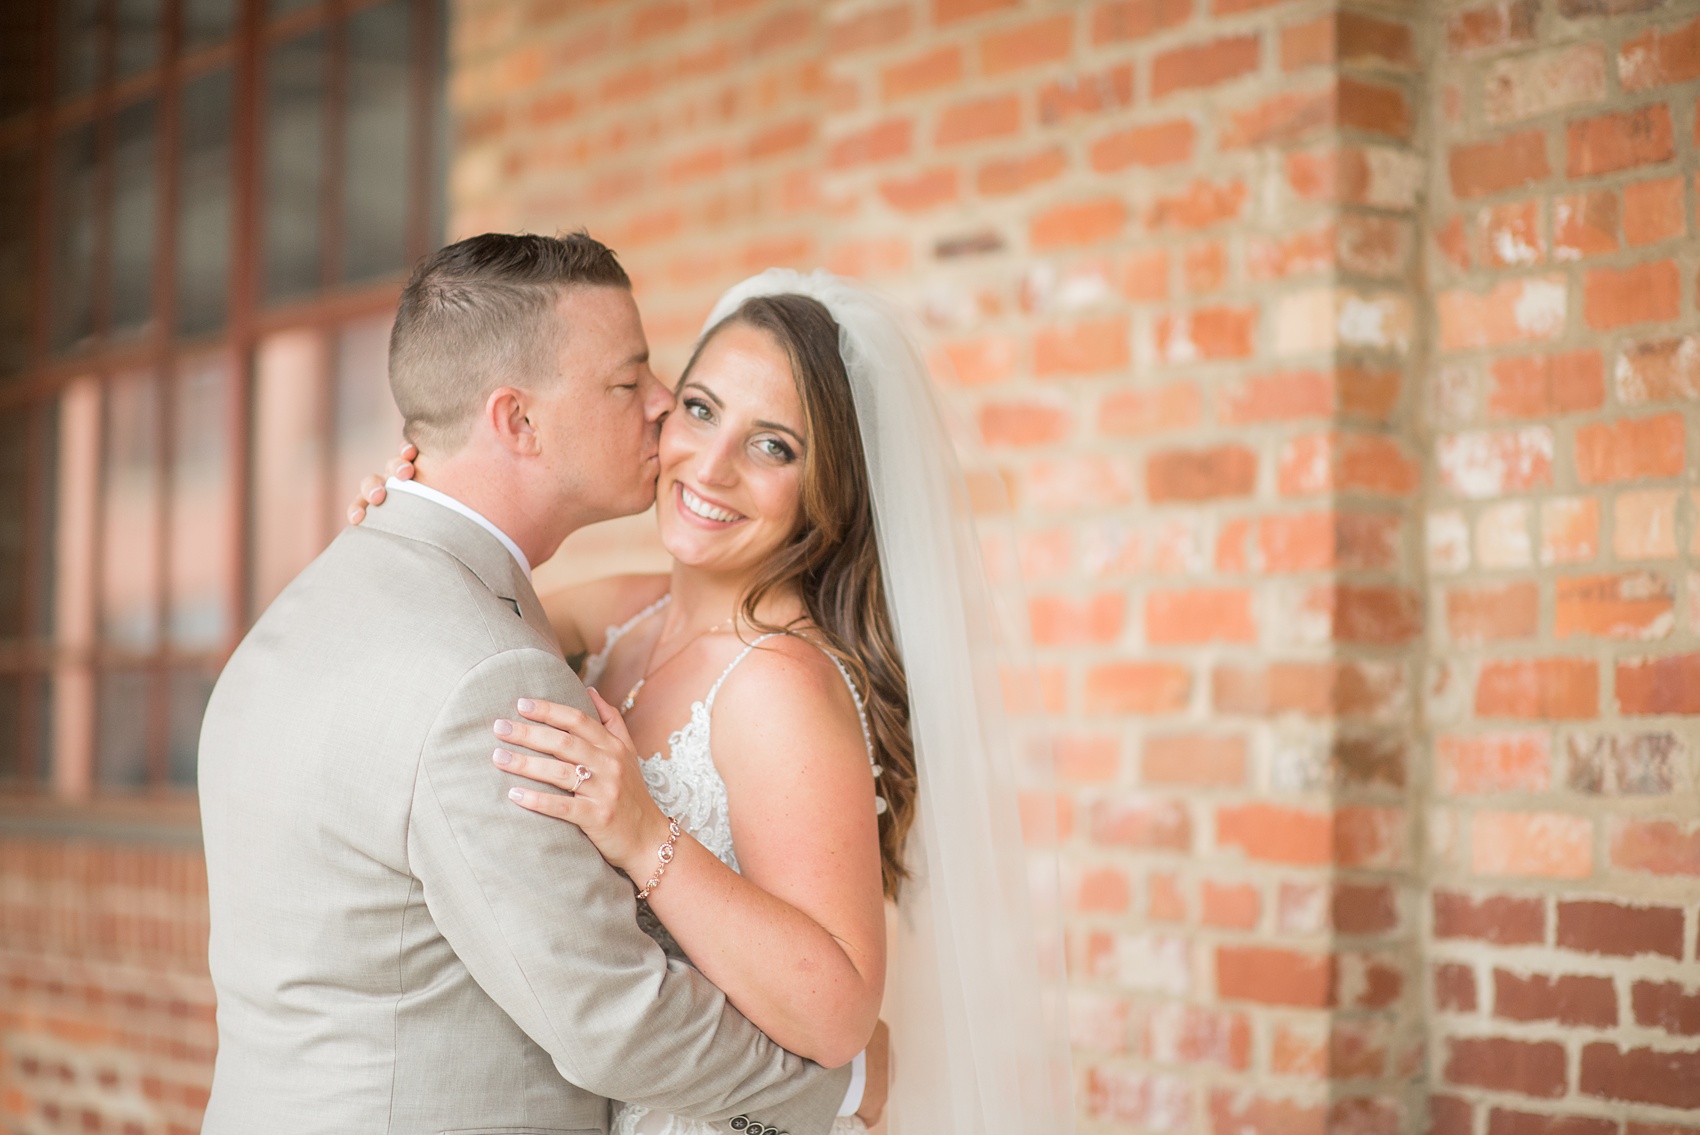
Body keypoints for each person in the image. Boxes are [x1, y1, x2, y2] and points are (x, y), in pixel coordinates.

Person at [354, 268, 1074, 1135]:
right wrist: (411, 516)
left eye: (774, 446)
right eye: (700, 409)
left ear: (829, 490)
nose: (713, 464)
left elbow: (841, 1010)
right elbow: (458, 623)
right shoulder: (621, 610)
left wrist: (643, 832)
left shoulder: (780, 683)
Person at [198, 234, 863, 1135]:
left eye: (773, 443)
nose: (666, 415)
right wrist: (846, 1090)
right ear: (517, 421)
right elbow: (606, 1017)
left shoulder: (318, 609)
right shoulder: (504, 655)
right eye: (635, 385)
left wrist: (414, 504)